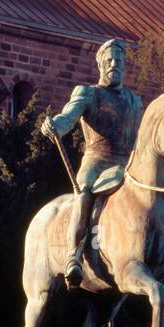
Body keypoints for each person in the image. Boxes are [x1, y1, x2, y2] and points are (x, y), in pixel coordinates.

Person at [42, 39, 142, 288]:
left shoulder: (134, 101)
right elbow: (68, 117)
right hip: (97, 162)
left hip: (127, 165)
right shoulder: (88, 93)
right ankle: (73, 255)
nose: (114, 64)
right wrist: (56, 125)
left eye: (118, 61)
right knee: (84, 193)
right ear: (99, 63)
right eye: (108, 60)